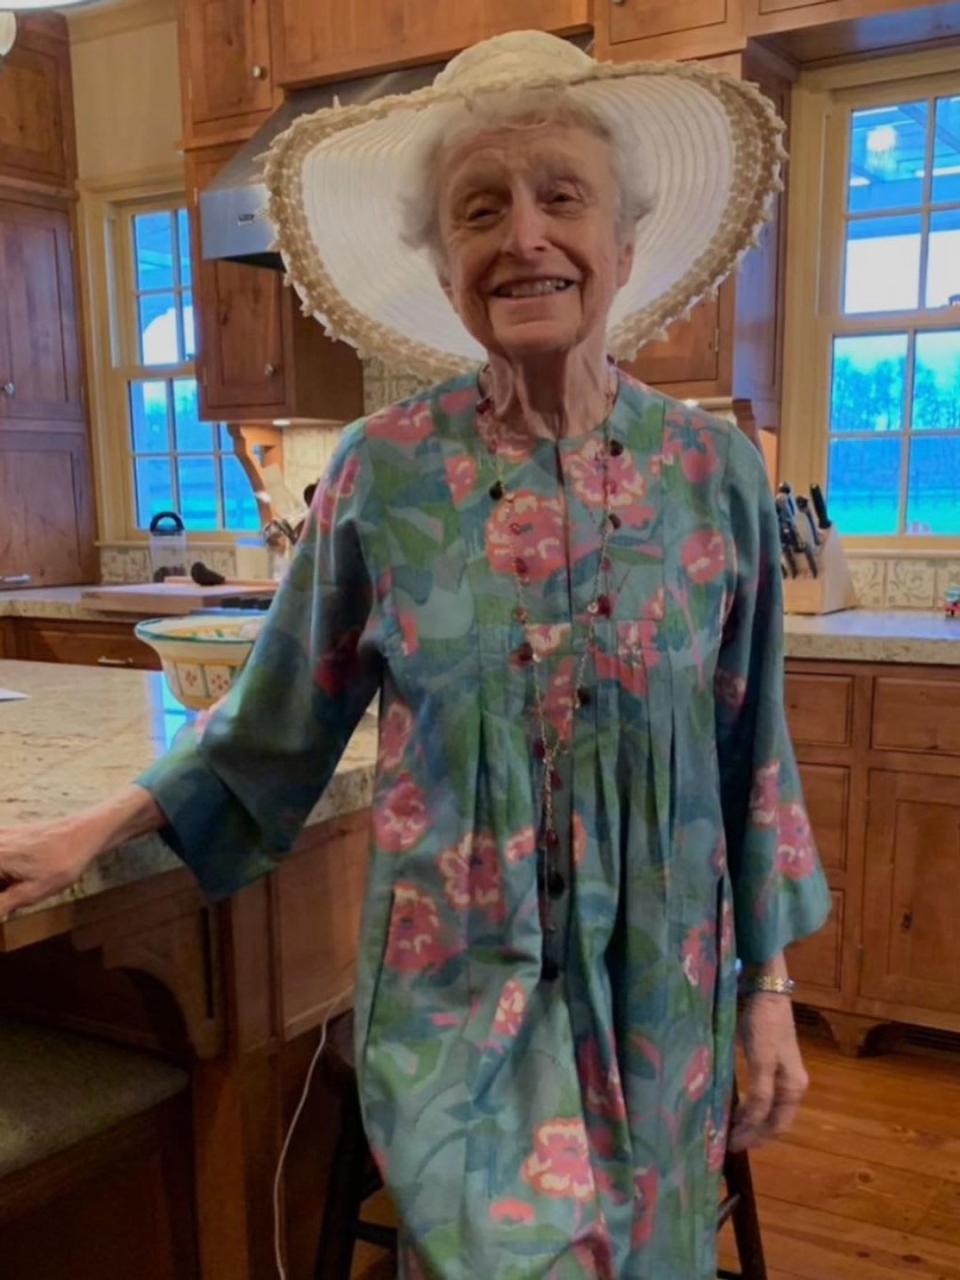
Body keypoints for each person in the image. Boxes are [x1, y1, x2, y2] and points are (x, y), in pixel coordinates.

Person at [0, 31, 830, 1279]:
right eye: (480, 210)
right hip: (457, 988)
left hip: (664, 985)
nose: (525, 236)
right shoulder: (382, 476)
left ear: (626, 243)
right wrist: (89, 831)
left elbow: (748, 750)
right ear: (445, 267)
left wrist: (768, 991)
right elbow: (272, 722)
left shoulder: (712, 476)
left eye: (562, 196)